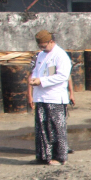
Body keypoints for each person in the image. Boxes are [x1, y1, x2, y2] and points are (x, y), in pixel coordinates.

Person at [29, 30, 71, 164]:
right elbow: (35, 71)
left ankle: (60, 157)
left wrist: (42, 81)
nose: (42, 48)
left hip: (55, 97)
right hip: (41, 97)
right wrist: (33, 79)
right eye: (40, 46)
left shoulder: (61, 55)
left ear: (51, 41)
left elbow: (63, 76)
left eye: (44, 46)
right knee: (42, 128)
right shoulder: (41, 55)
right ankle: (44, 156)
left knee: (56, 128)